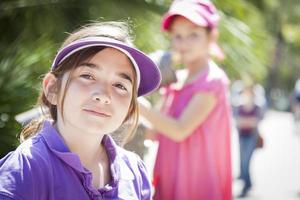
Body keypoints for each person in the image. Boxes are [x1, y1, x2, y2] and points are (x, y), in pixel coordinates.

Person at [0, 21, 161, 200]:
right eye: (87, 76)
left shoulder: (134, 171)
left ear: (130, 108)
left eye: (120, 85)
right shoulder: (24, 172)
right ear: (52, 88)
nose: (104, 95)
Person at [138, 0, 232, 199]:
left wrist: (137, 105)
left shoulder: (212, 80)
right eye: (178, 36)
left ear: (211, 36)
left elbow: (179, 130)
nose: (184, 43)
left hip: (196, 185)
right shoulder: (174, 80)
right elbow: (154, 132)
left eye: (193, 35)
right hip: (169, 179)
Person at [235, 85, 263, 197]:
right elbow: (238, 121)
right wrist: (248, 121)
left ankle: (246, 185)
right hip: (242, 137)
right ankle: (248, 183)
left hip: (251, 137)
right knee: (242, 162)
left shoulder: (257, 107)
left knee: (247, 161)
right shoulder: (240, 106)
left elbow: (255, 122)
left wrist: (245, 122)